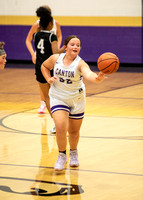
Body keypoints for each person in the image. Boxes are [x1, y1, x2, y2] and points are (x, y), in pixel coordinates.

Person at [41, 35, 106, 171]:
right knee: (60, 126)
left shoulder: (80, 63)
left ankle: (74, 152)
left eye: (78, 45)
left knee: (74, 131)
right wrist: (48, 79)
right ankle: (61, 155)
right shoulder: (55, 58)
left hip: (76, 99)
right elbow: (44, 66)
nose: (76, 47)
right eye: (72, 44)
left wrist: (98, 78)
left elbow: (88, 75)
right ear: (65, 47)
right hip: (58, 96)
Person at [32, 7, 65, 133]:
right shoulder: (52, 36)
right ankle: (61, 121)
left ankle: (56, 124)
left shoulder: (35, 35)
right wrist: (65, 47)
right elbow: (56, 52)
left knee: (47, 98)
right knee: (56, 96)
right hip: (51, 68)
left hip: (39, 69)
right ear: (51, 24)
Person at [26, 5, 62, 115]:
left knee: (47, 91)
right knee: (52, 92)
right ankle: (44, 105)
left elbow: (59, 36)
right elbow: (28, 41)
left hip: (44, 61)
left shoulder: (38, 34)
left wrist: (55, 47)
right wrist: (33, 54)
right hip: (47, 60)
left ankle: (53, 116)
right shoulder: (41, 28)